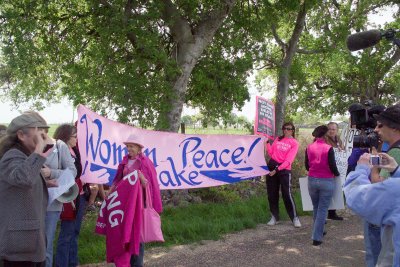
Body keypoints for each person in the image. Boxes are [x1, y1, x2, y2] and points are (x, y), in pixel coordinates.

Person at [0, 112, 52, 266]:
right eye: (40, 135)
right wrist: (39, 150)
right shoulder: (12, 155)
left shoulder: (24, 157)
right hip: (19, 246)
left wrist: (45, 184)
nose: (44, 139)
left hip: (29, 243)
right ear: (21, 135)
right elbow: (23, 178)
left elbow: (20, 183)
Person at [108, 134, 162, 267]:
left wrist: (141, 178)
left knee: (137, 235)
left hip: (139, 205)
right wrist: (111, 191)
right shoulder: (125, 161)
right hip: (124, 204)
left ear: (139, 148)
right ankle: (125, 262)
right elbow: (118, 179)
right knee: (125, 233)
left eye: (131, 146)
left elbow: (150, 185)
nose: (128, 149)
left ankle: (137, 264)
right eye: (127, 146)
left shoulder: (145, 162)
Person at [344, 152, 400, 266]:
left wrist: (362, 169)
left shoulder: (395, 189)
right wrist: (396, 171)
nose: (377, 132)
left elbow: (354, 195)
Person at [42, 125, 77, 267]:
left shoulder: (59, 145)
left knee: (46, 247)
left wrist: (51, 173)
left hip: (52, 204)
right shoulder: (26, 146)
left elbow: (72, 172)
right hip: (29, 203)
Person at [53, 124, 87, 267]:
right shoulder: (60, 152)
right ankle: (62, 263)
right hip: (68, 198)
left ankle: (72, 262)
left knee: (74, 231)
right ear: (66, 137)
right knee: (66, 234)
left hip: (79, 195)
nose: (77, 138)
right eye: (74, 136)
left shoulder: (74, 150)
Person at [305, 125, 340, 246]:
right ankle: (316, 237)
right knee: (322, 209)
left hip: (312, 180)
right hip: (326, 180)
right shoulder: (328, 148)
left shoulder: (309, 147)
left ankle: (319, 230)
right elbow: (332, 165)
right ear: (325, 135)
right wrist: (337, 174)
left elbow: (307, 166)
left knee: (316, 207)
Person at [266, 122, 301, 228]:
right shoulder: (278, 139)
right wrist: (267, 143)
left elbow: (289, 160)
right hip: (272, 166)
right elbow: (271, 153)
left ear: (292, 130)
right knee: (272, 193)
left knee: (287, 193)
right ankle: (274, 217)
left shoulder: (294, 143)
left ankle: (295, 218)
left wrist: (277, 169)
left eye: (289, 129)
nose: (286, 130)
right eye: (285, 128)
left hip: (284, 169)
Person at [325, 122, 344, 221]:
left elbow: (343, 151)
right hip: (326, 168)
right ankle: (324, 212)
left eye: (334, 129)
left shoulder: (338, 139)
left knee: (335, 190)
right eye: (330, 129)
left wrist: (342, 150)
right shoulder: (324, 140)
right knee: (327, 191)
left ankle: (332, 212)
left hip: (336, 167)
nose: (332, 131)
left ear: (337, 130)